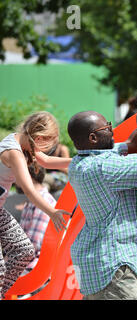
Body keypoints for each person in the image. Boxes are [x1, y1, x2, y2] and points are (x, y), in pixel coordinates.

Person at [67, 107, 137, 300]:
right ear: (93, 138)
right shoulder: (105, 167)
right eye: (106, 127)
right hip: (113, 268)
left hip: (96, 264)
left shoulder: (78, 163)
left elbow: (132, 144)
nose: (111, 129)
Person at [0, 111, 70, 299]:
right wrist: (52, 212)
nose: (45, 151)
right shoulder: (14, 152)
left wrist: (78, 161)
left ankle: (2, 292)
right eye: (46, 144)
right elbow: (30, 191)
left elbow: (47, 161)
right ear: (38, 138)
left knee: (23, 250)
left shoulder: (22, 142)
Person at [19, 165, 56, 274]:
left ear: (29, 176)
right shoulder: (32, 201)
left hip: (34, 268)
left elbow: (33, 245)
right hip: (26, 264)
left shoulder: (43, 201)